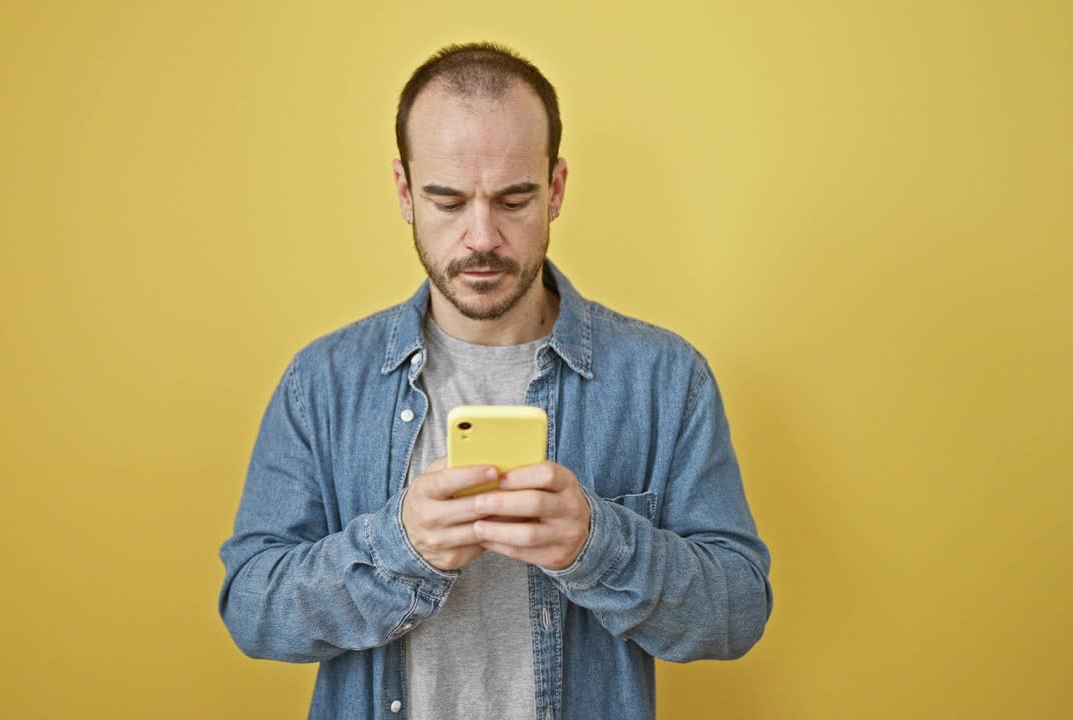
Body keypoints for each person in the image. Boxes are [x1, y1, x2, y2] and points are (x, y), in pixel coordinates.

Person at [218, 41, 773, 720]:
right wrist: (401, 548)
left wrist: (597, 544)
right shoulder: (323, 382)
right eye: (448, 202)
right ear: (404, 192)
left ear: (557, 188)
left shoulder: (665, 379)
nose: (482, 237)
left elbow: (738, 609)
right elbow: (251, 607)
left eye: (514, 200)